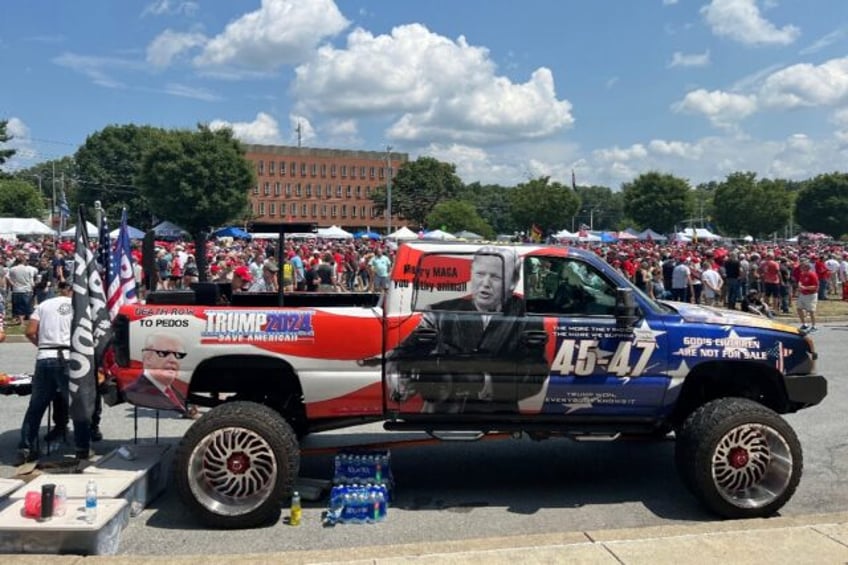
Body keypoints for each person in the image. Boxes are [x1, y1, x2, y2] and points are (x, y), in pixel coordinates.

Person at [388, 247, 548, 414]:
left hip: (497, 416)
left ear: (513, 282)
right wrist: (400, 379)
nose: (485, 283)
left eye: (495, 276)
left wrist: (484, 382)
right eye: (480, 274)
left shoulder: (528, 315)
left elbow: (535, 375)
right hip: (441, 415)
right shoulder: (439, 313)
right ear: (471, 274)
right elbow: (400, 355)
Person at [15, 282, 94, 464]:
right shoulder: (79, 307)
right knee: (77, 405)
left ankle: (25, 448)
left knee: (36, 407)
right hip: (68, 356)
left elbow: (30, 331)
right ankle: (82, 448)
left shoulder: (42, 305)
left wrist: (42, 346)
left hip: (45, 356)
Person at [124, 332, 190, 413]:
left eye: (178, 355)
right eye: (164, 353)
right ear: (148, 358)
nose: (173, 360)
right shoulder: (134, 393)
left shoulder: (178, 394)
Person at [796, 260, 819, 332]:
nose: (801, 267)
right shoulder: (802, 274)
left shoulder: (812, 275)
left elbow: (815, 286)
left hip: (811, 295)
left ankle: (814, 326)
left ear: (807, 267)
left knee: (811, 311)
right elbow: (800, 281)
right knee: (799, 308)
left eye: (802, 266)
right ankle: (804, 324)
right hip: (803, 294)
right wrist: (799, 285)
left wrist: (805, 288)